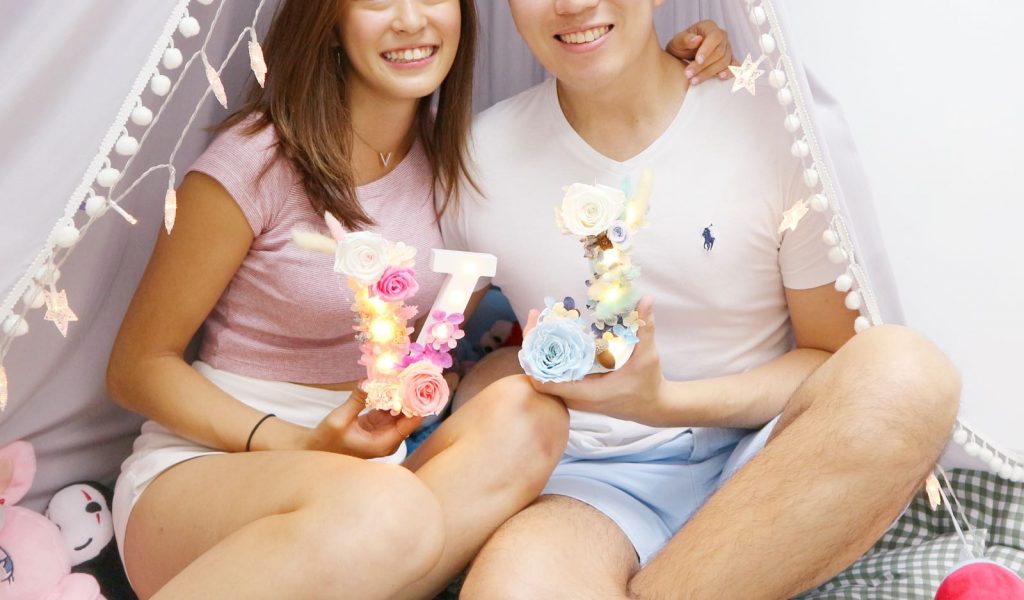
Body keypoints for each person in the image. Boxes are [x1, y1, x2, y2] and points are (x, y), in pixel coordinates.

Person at [106, 0, 735, 597]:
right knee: (387, 509)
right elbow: (137, 368)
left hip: (379, 478)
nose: (411, 20)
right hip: (217, 466)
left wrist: (671, 65)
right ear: (329, 19)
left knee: (529, 415)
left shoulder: (465, 160)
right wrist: (296, 444)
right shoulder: (255, 161)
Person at [442, 1, 962, 598]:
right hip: (594, 482)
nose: (573, 4)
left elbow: (829, 357)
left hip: (767, 454)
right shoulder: (475, 158)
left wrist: (663, 402)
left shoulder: (772, 121)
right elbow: (415, 348)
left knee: (909, 373)